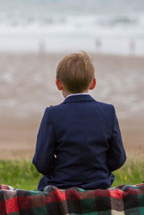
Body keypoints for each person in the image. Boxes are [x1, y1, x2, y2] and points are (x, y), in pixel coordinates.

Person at [32, 51, 126, 190]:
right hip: (99, 185)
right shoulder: (108, 111)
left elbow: (41, 162)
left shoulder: (52, 114)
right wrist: (98, 169)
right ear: (93, 83)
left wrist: (61, 171)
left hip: (62, 186)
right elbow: (118, 158)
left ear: (58, 83)